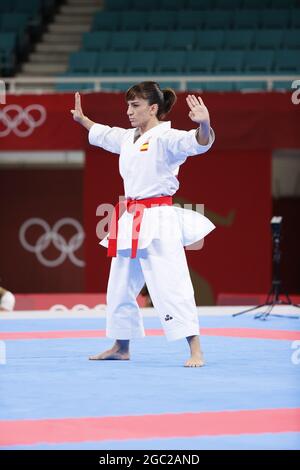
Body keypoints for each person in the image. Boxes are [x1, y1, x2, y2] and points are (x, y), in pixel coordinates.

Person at [71, 81, 215, 367]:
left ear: (153, 108)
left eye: (135, 106)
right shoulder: (127, 138)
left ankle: (195, 349)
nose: (128, 111)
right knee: (120, 284)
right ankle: (120, 346)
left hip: (159, 219)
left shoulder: (167, 137)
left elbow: (196, 143)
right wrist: (82, 119)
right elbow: (104, 134)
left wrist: (205, 125)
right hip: (131, 219)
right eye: (127, 105)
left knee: (171, 283)